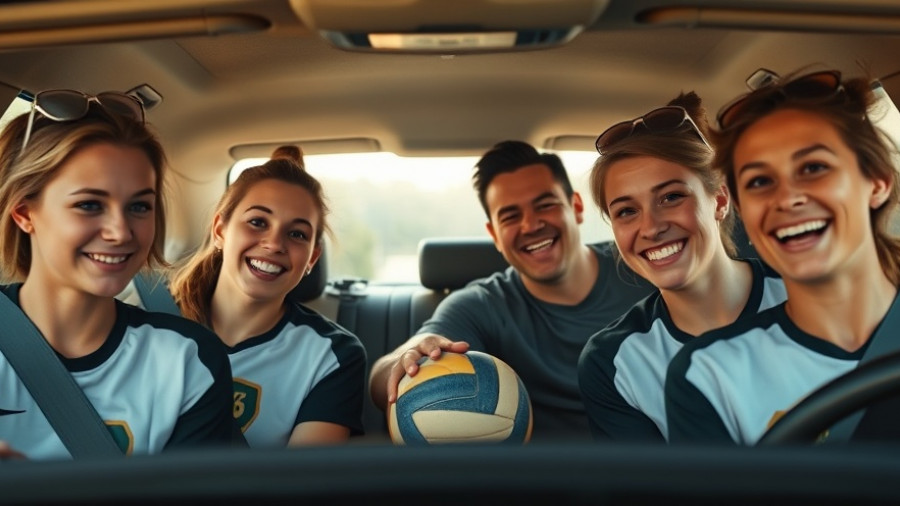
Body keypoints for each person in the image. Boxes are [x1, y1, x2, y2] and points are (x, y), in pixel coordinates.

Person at [665, 68, 900, 444]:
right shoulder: (709, 374)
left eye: (813, 168)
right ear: (742, 209)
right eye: (759, 181)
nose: (787, 198)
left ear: (877, 182)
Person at [0, 90, 235, 460]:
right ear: (24, 214)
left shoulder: (186, 359)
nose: (121, 232)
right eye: (89, 205)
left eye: (139, 206)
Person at [369, 140, 654, 441]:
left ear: (577, 207)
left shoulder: (643, 266)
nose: (531, 225)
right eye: (510, 216)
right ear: (494, 234)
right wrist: (406, 359)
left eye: (545, 205)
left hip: (647, 469)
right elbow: (386, 372)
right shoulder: (480, 305)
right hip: (532, 481)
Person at [577, 92, 787, 442]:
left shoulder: (811, 293)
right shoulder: (613, 362)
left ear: (719, 199)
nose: (651, 227)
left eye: (671, 197)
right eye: (627, 211)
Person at [170, 146, 367, 447]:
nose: (274, 244)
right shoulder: (149, 322)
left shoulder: (332, 356)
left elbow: (300, 487)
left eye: (297, 234)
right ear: (220, 230)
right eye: (258, 222)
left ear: (312, 258)